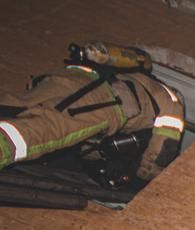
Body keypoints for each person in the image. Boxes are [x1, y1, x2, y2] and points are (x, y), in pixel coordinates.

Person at [0, 41, 185, 188]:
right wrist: (145, 177)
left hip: (63, 79)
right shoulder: (168, 95)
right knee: (45, 129)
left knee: (14, 110)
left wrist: (98, 164)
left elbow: (91, 144)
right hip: (106, 100)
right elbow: (165, 146)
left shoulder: (109, 71)